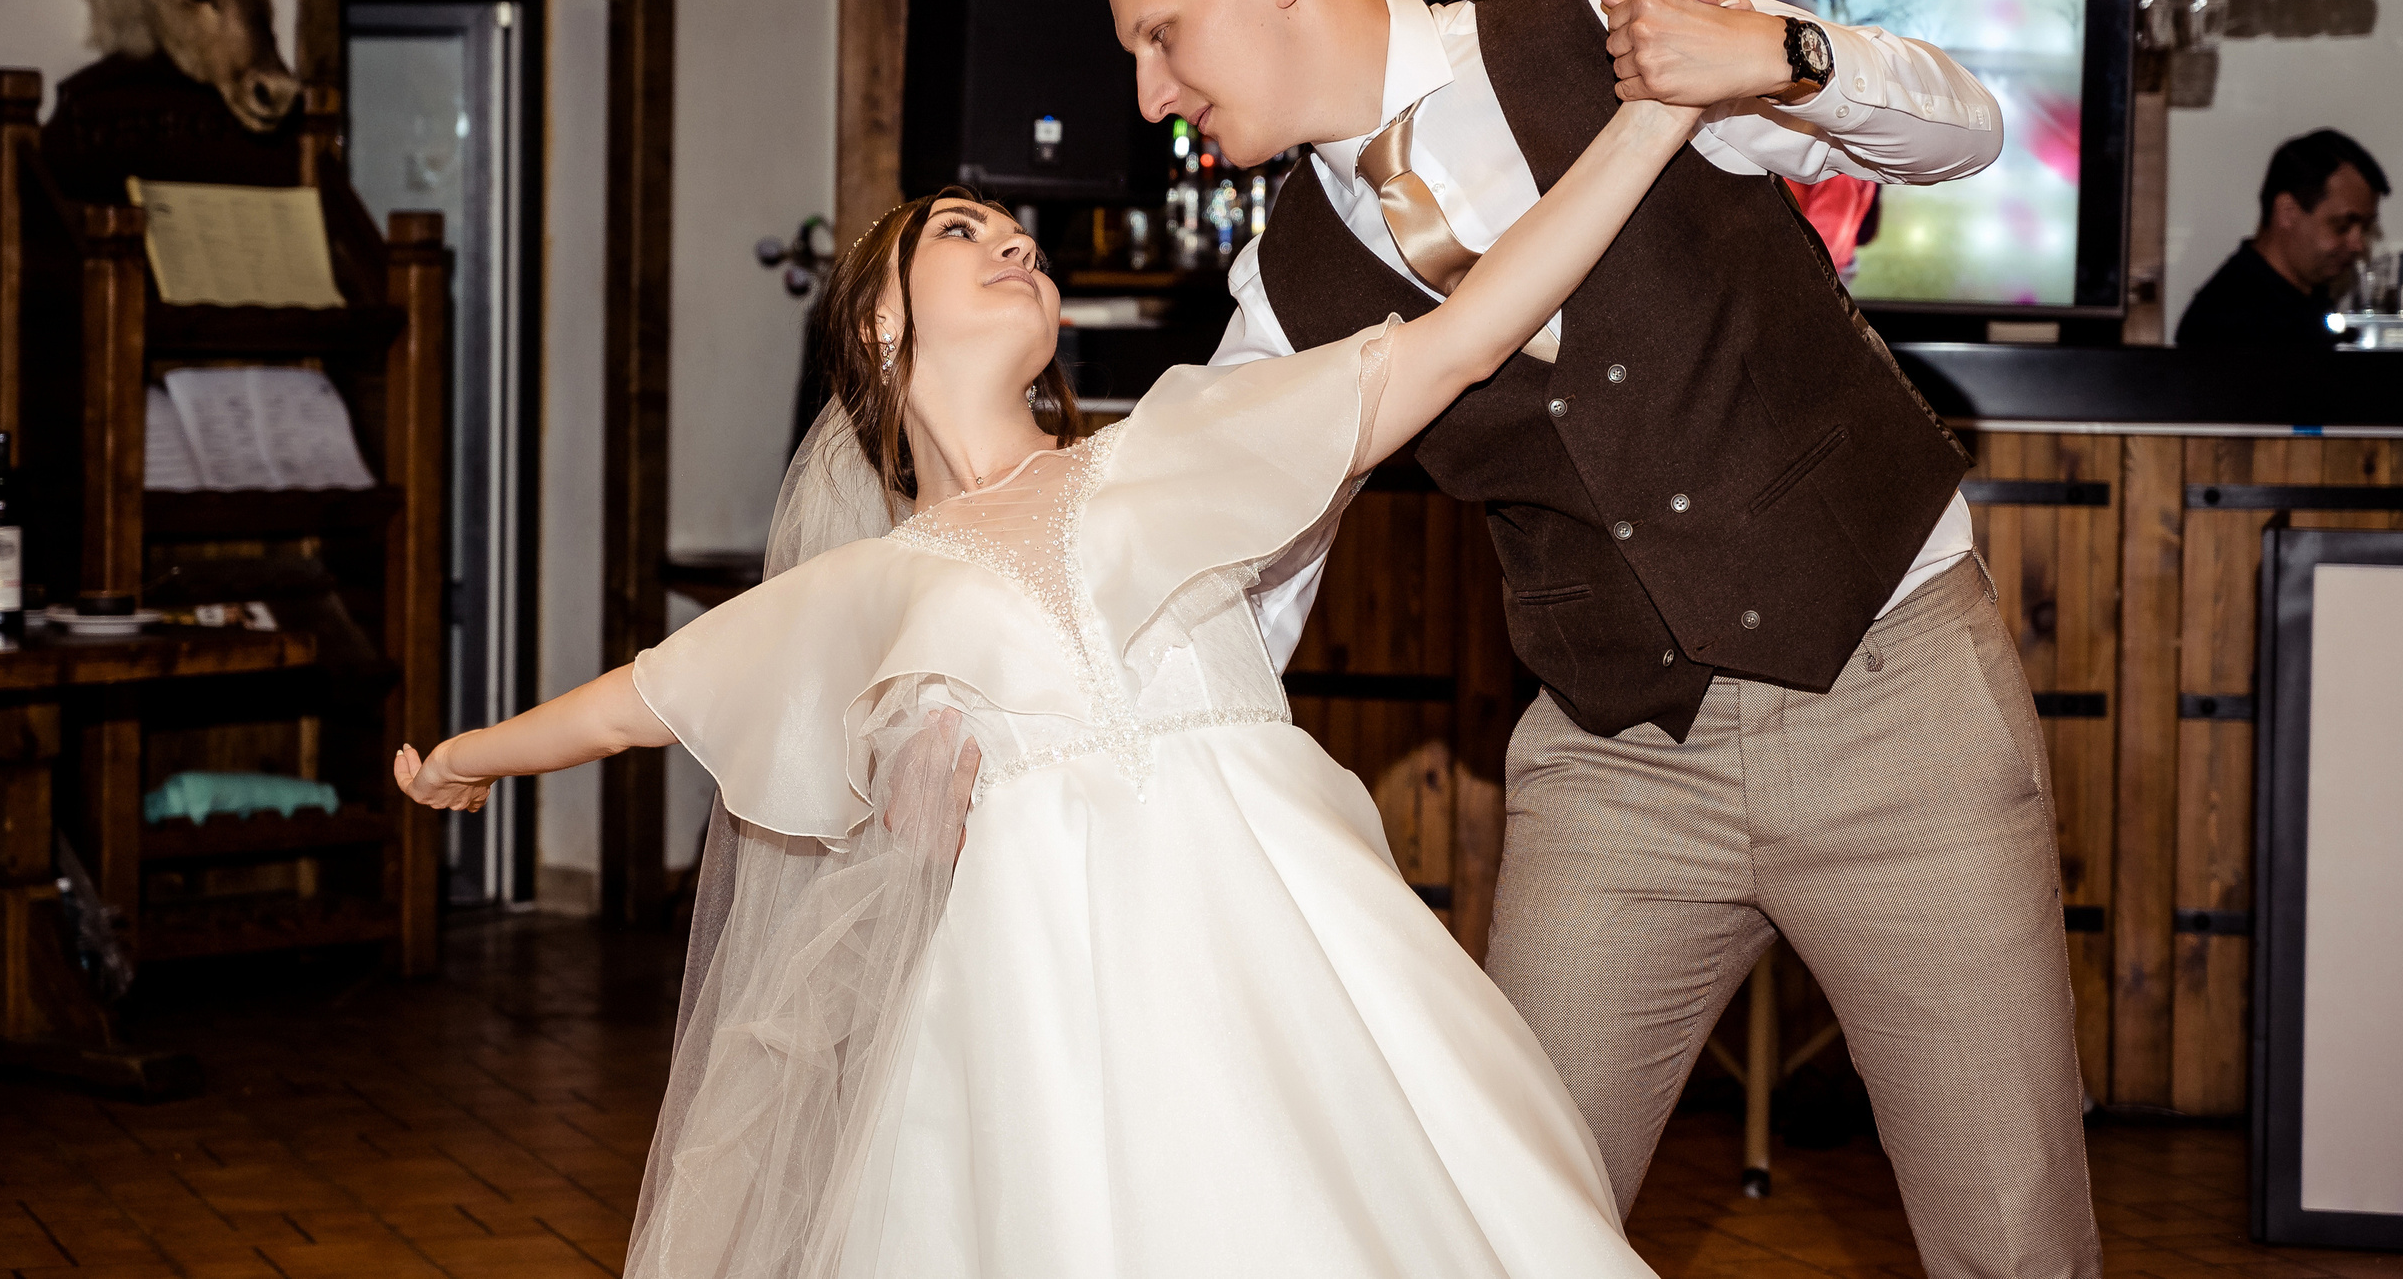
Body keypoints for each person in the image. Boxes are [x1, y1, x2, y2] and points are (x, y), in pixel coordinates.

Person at [397, 67, 1706, 1274]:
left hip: (1297, 981)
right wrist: (462, 758)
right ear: (879, 321)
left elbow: (1464, 335)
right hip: (1045, 1030)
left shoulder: (1181, 441)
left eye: (1014, 231)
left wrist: (1654, 117)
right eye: (961, 232)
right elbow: (639, 699)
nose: (1012, 238)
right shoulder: (869, 588)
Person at [1093, 0, 2101, 1279]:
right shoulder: (1283, 286)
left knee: (2013, 1242)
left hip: (1897, 708)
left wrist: (1789, 59)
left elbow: (1968, 128)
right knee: (1501, 1229)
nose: (1151, 90)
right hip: (1617, 760)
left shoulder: (1612, 15)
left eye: (1161, 35)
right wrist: (1075, 734)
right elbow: (1237, 572)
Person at [2175, 128, 2391, 350]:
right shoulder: (2228, 325)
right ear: (2287, 212)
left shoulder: (2308, 300)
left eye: (2364, 228)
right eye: (2341, 226)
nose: (2358, 244)